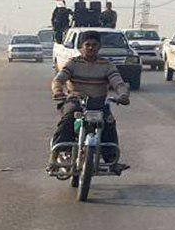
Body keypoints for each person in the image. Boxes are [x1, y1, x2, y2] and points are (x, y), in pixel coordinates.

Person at [49, 30, 129, 170]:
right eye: (88, 44)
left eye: (94, 44)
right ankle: (55, 155)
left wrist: (123, 95)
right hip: (75, 101)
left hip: (98, 103)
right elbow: (58, 80)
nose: (91, 47)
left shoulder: (107, 65)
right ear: (82, 46)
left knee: (109, 122)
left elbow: (118, 83)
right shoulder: (73, 63)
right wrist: (58, 91)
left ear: (99, 47)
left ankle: (112, 161)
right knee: (68, 118)